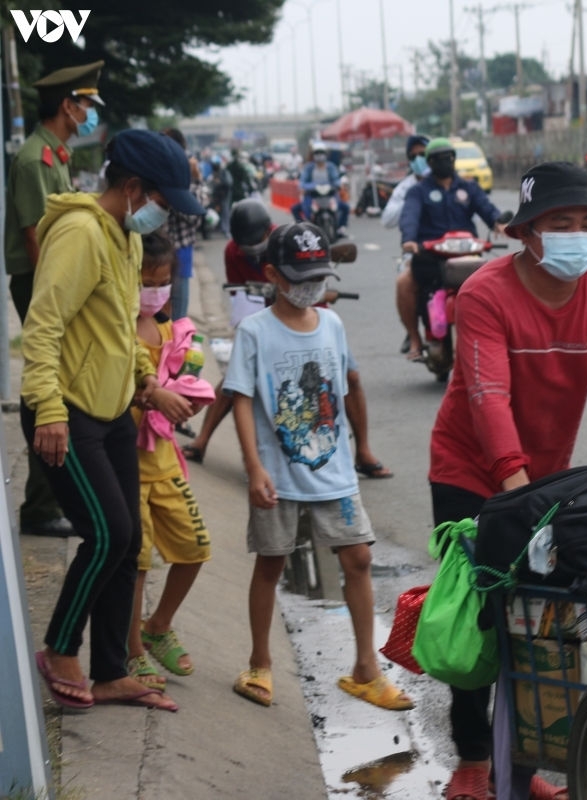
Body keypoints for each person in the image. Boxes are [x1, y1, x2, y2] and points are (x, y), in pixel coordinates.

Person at [428, 161, 587, 800]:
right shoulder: (484, 293)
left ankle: (529, 761)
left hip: (547, 478)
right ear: (527, 233)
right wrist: (517, 499)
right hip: (470, 469)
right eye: (558, 223)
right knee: (484, 619)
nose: (575, 234)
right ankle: (473, 760)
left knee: (546, 621)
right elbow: (488, 397)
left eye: (584, 223)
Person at [21, 128, 206, 712]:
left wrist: (148, 387)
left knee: (128, 549)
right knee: (107, 534)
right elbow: (43, 326)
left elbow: (119, 335)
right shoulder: (79, 233)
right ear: (132, 188)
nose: (164, 215)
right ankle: (59, 647)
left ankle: (109, 671)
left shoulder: (124, 235)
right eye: (162, 201)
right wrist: (48, 409)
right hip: (67, 413)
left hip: (115, 409)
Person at [223, 221, 412, 712]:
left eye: (318, 278)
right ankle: (259, 663)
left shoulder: (332, 324)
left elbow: (342, 390)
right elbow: (241, 400)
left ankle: (366, 669)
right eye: (299, 277)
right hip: (277, 477)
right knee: (271, 563)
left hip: (335, 473)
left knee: (359, 561)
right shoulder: (254, 331)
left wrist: (360, 450)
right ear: (272, 274)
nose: (311, 288)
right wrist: (254, 468)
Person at [182, 199, 393, 480]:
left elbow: (316, 283)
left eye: (256, 244)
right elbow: (242, 299)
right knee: (235, 378)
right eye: (246, 246)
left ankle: (363, 451)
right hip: (267, 317)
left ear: (267, 232)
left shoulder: (293, 242)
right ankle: (201, 441)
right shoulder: (234, 252)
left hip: (312, 314)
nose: (251, 252)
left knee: (350, 377)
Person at [4, 60, 106, 538]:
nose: (88, 113)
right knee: (51, 387)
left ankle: (48, 500)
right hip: (40, 282)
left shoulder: (57, 155)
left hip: (52, 282)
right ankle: (41, 506)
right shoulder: (33, 159)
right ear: (67, 106)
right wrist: (60, 296)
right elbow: (35, 239)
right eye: (85, 104)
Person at [124, 232, 216, 691]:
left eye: (162, 282)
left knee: (195, 548)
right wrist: (154, 395)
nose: (154, 291)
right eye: (146, 282)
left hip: (165, 464)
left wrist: (186, 399)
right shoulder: (119, 333)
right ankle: (132, 650)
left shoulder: (172, 333)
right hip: (128, 467)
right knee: (137, 563)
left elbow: (186, 385)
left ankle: (157, 625)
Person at [399, 137, 505, 362]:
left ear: (454, 159)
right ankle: (415, 338)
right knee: (404, 283)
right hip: (430, 257)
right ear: (430, 162)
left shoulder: (468, 187)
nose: (444, 162)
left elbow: (487, 209)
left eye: (448, 158)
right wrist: (409, 239)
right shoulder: (418, 191)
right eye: (438, 159)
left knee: (500, 284)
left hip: (468, 257)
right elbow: (410, 216)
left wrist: (499, 223)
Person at [381, 134, 430, 359]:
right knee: (404, 282)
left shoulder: (450, 182)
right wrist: (413, 202)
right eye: (414, 156)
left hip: (452, 249)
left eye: (424, 154)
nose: (419, 159)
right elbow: (387, 219)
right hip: (417, 251)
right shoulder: (408, 189)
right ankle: (413, 336)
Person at [160, 128, 204, 321]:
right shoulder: (154, 170)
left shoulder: (188, 173)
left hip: (180, 249)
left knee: (178, 311)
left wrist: (175, 196)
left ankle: (177, 347)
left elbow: (196, 217)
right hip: (154, 250)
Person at [291, 143, 349, 237]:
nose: (319, 155)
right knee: (295, 209)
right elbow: (302, 182)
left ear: (325, 154)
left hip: (329, 195)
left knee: (345, 207)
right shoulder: (309, 168)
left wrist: (338, 185)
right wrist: (309, 187)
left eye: (321, 153)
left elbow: (336, 180)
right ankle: (303, 229)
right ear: (313, 155)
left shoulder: (331, 167)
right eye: (317, 153)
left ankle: (340, 228)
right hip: (313, 195)